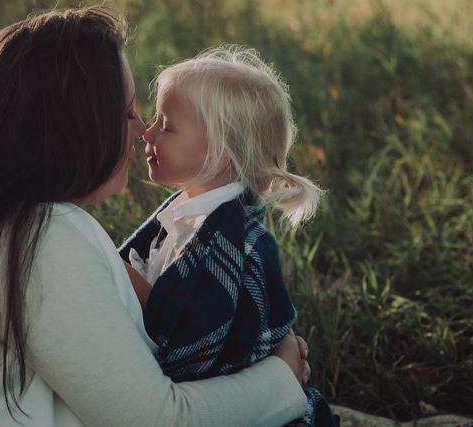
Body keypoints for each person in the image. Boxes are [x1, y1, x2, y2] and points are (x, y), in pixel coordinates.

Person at [0, 6, 311, 427]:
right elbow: (156, 418)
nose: (141, 129)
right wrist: (283, 376)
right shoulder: (39, 242)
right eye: (126, 112)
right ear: (70, 126)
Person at [119, 46, 336, 427]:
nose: (146, 132)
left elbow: (179, 325)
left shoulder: (236, 239)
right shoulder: (196, 210)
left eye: (166, 126)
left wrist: (110, 265)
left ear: (218, 155)